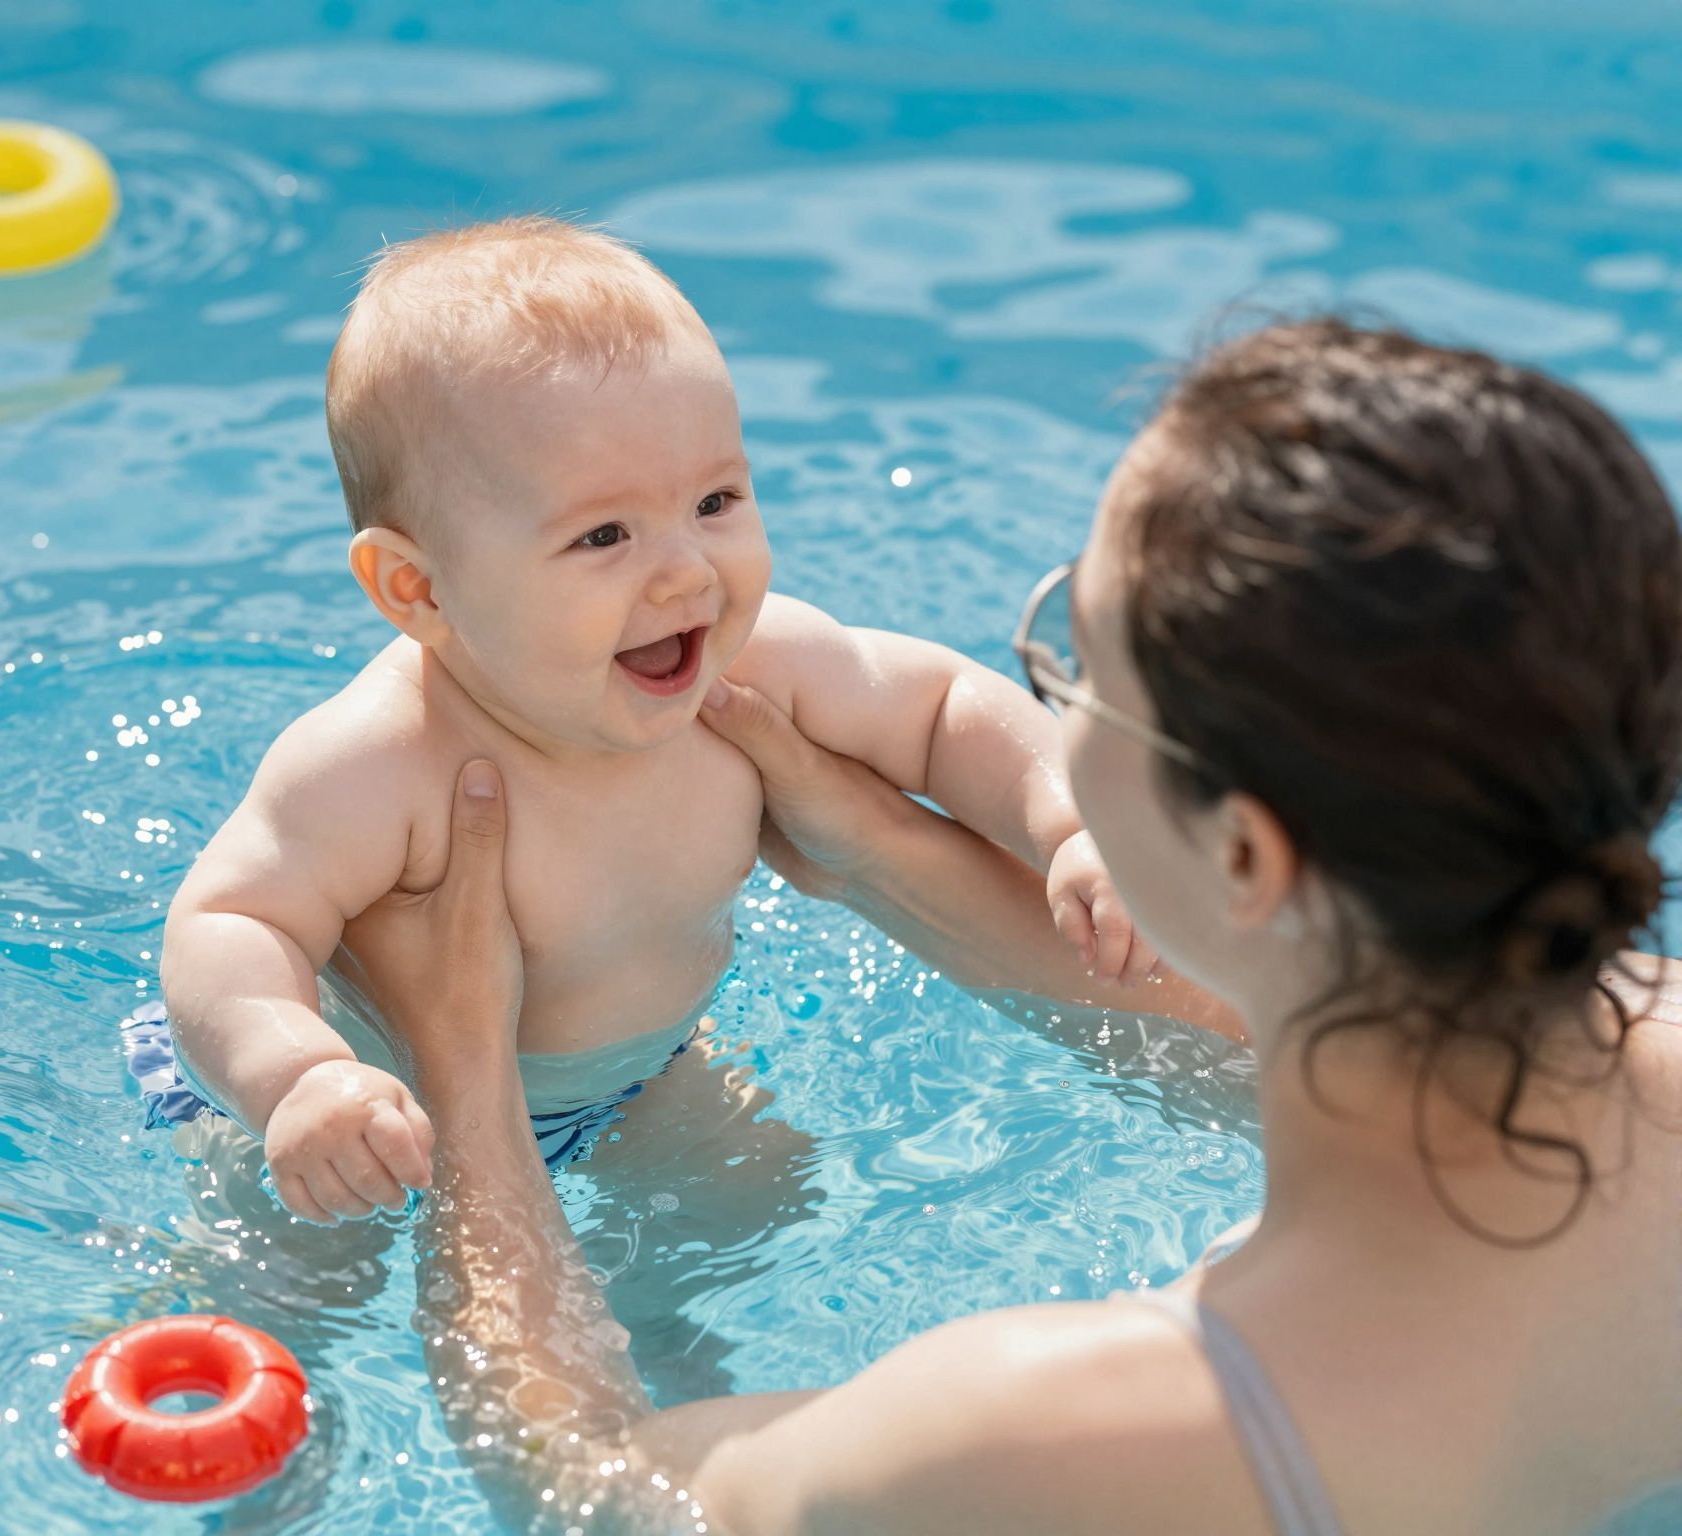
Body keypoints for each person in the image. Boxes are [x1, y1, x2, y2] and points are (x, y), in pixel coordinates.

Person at [345, 320, 1682, 1534]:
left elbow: (589, 1480)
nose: (1046, 700)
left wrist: (465, 1061)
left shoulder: (1059, 1434)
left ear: (1243, 851)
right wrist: (884, 851)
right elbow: (1311, 1023)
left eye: (1078, 666)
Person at [144, 216, 1193, 1226]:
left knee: (761, 1205)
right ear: (417, 590)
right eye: (602, 535)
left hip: (645, 1080)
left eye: (715, 502)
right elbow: (231, 922)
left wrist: (1067, 826)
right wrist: (295, 1079)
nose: (685, 572)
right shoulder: (382, 762)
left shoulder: (756, 667)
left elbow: (939, 708)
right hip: (376, 1114)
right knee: (291, 1285)